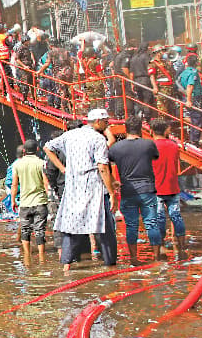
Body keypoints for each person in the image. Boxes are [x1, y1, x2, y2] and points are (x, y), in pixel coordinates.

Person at [44, 109, 118, 272]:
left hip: (73, 187)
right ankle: (110, 263)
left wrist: (62, 168)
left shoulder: (71, 135)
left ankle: (67, 265)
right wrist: (112, 192)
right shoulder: (97, 139)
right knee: (105, 226)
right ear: (98, 122)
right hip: (94, 187)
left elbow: (47, 147)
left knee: (72, 225)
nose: (108, 125)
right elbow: (103, 167)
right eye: (106, 122)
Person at [109, 116, 163, 263]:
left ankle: (134, 259)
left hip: (128, 190)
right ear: (140, 128)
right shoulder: (148, 144)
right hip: (147, 189)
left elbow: (106, 163)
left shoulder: (116, 148)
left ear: (125, 129)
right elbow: (155, 157)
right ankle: (157, 257)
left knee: (131, 225)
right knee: (151, 223)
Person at [10, 139, 51, 264]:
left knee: (25, 230)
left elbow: (14, 184)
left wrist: (13, 200)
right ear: (37, 149)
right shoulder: (42, 163)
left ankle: (27, 257)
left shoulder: (17, 164)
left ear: (24, 151)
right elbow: (46, 182)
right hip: (40, 201)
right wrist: (49, 197)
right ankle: (42, 258)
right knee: (39, 230)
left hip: (24, 202)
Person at [149, 119, 186, 255]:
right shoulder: (174, 146)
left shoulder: (150, 146)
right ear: (165, 130)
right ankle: (181, 245)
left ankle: (161, 246)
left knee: (159, 218)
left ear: (152, 131)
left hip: (156, 188)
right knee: (176, 216)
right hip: (172, 186)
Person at [178, 54, 202, 146]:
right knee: (197, 119)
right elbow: (190, 85)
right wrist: (189, 100)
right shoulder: (193, 72)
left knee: (195, 118)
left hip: (186, 96)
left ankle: (194, 139)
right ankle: (194, 141)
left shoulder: (184, 72)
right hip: (194, 98)